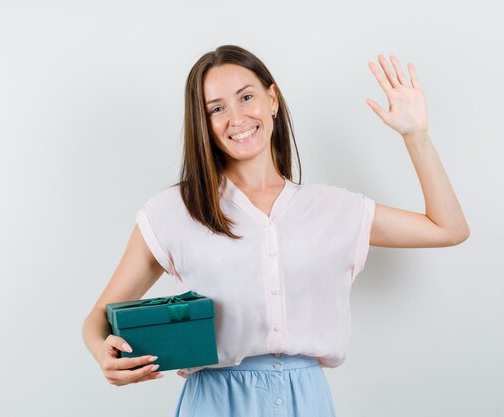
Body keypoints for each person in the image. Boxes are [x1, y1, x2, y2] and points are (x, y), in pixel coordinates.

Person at [82, 45, 470, 416]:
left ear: (273, 99)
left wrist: (415, 136)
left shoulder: (334, 208)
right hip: (216, 400)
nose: (236, 118)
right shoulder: (175, 210)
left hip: (307, 399)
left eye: (246, 97)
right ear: (203, 122)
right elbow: (99, 315)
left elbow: (448, 228)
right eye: (217, 108)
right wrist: (103, 352)